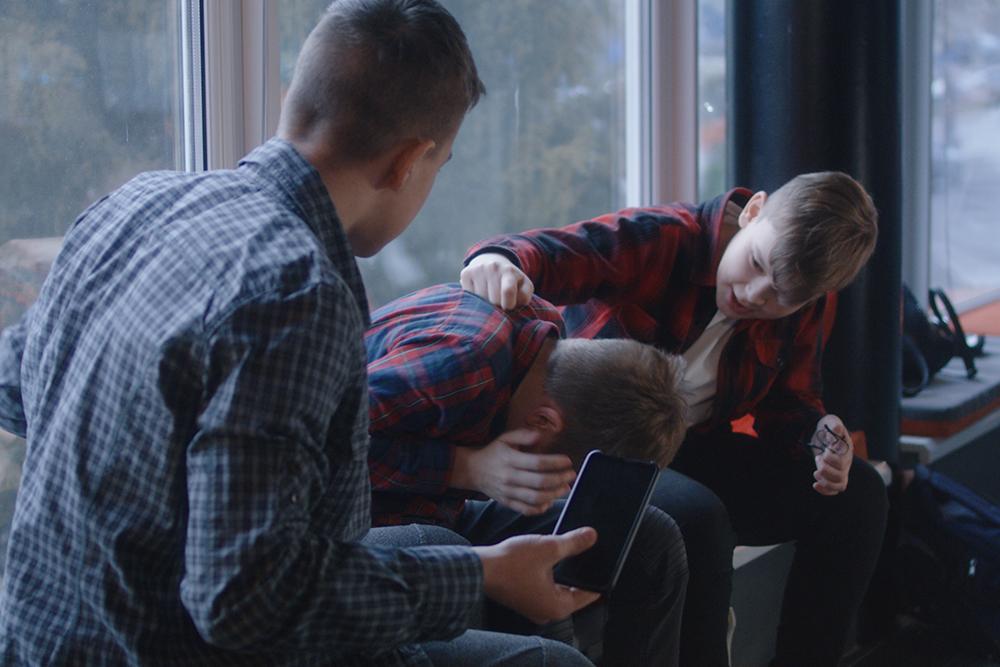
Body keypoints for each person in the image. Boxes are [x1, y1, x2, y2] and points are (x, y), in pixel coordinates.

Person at [0, 1, 605, 665]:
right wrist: (484, 576)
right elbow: (244, 601)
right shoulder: (296, 293)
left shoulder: (136, 203)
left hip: (39, 635)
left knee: (427, 542)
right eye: (442, 165)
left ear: (295, 98)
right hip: (168, 641)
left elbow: (17, 386)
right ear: (409, 162)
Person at [459, 171, 890, 667]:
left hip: (689, 445)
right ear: (753, 213)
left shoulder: (806, 292)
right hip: (598, 447)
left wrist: (817, 434)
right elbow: (544, 251)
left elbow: (788, 403)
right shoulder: (665, 237)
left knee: (858, 494)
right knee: (696, 517)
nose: (754, 296)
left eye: (780, 297)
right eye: (754, 264)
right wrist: (497, 261)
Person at [365, 281, 690, 666]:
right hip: (359, 521)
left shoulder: (545, 337)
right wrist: (464, 467)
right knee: (453, 545)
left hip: (435, 503)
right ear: (542, 422)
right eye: (562, 479)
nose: (558, 490)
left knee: (652, 537)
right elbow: (317, 446)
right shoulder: (461, 363)